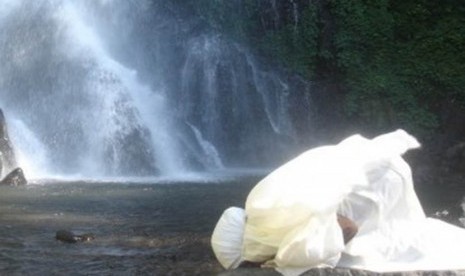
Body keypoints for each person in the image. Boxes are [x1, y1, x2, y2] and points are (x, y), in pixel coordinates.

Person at [211, 129, 465, 276]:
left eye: (247, 264)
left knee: (387, 245)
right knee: (404, 233)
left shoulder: (278, 236)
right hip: (369, 159)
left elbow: (348, 227)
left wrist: (296, 258)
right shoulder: (259, 202)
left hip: (377, 182)